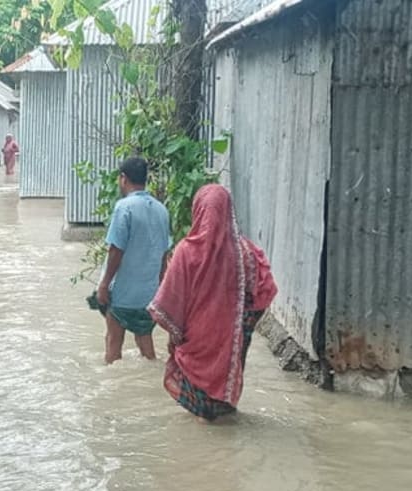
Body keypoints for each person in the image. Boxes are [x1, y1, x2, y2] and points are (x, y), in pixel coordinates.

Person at [148, 185, 278, 421]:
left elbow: (169, 304)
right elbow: (266, 290)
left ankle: (207, 444)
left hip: (197, 340)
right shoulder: (247, 252)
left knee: (201, 407)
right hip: (230, 343)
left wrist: (175, 337)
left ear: (198, 211)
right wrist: (241, 327)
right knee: (224, 394)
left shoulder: (186, 251)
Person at [96, 157, 170, 364]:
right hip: (149, 294)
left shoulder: (124, 208)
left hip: (123, 294)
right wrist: (161, 289)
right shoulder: (161, 210)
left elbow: (116, 250)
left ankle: (110, 389)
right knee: (145, 343)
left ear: (123, 178)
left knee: (113, 343)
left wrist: (103, 285)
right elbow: (164, 254)